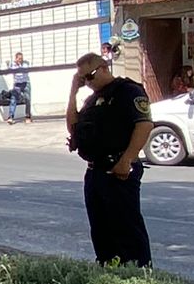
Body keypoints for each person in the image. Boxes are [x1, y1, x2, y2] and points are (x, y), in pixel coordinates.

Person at [66, 52, 153, 268]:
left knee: (127, 228)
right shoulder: (92, 99)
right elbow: (73, 127)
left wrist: (127, 159)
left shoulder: (128, 91)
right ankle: (108, 272)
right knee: (101, 229)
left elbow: (144, 125)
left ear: (104, 68)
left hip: (118, 169)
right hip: (95, 171)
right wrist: (72, 92)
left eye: (90, 76)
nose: (88, 82)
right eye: (83, 79)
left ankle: (140, 274)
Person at [7, 51, 31, 124]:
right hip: (17, 84)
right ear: (16, 58)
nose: (20, 60)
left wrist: (19, 65)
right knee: (13, 99)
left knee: (27, 99)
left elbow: (25, 70)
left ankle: (27, 117)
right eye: (19, 58)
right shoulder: (13, 65)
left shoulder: (25, 63)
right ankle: (11, 117)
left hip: (25, 83)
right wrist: (8, 65)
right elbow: (9, 70)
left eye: (21, 58)